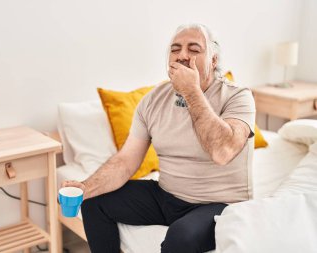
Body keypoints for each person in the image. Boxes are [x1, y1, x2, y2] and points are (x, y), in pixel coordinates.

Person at [62, 23, 256, 253]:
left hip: (219, 204)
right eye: (175, 49)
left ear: (213, 61)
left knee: (180, 237)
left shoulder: (238, 97)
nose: (183, 55)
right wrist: (85, 187)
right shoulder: (153, 100)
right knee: (94, 202)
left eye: (194, 49)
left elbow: (222, 152)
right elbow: (126, 162)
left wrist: (191, 91)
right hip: (166, 195)